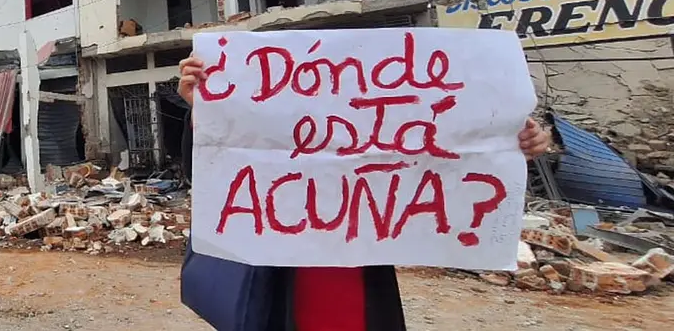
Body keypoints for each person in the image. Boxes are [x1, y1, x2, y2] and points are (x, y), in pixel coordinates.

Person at [177, 55, 551, 331]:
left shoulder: (376, 183)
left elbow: (449, 160)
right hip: (284, 295)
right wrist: (204, 112)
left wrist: (514, 145)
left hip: (360, 298)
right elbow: (215, 175)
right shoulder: (273, 174)